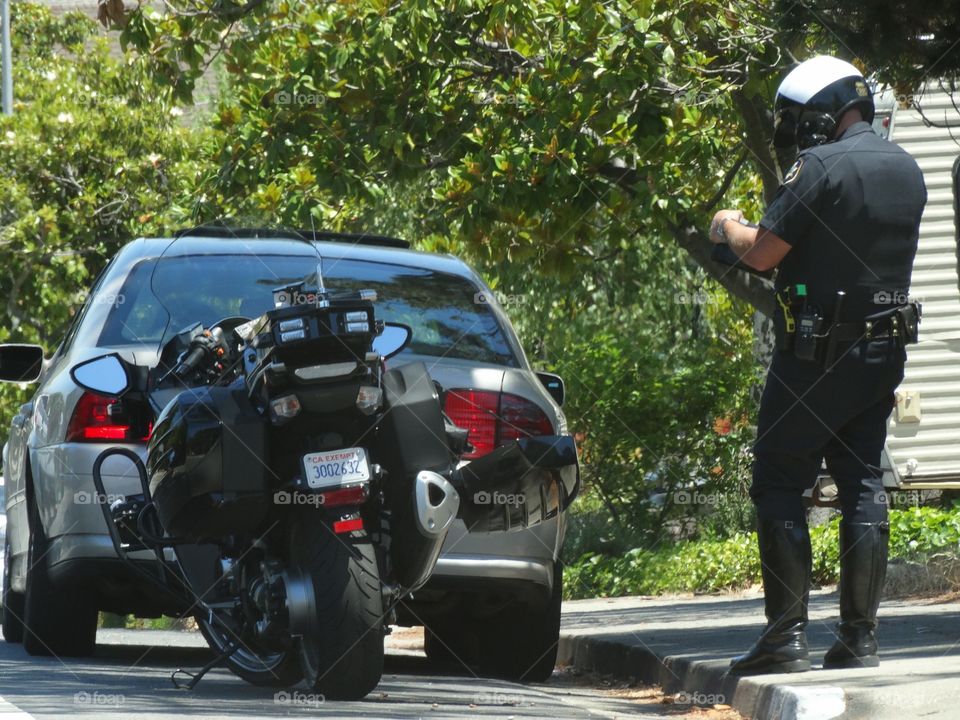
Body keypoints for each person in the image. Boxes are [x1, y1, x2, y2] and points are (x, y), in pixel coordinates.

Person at [707, 55, 927, 675]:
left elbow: (764, 254)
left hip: (815, 358)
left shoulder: (820, 165)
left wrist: (728, 226)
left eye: (800, 118)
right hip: (881, 355)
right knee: (860, 483)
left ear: (823, 114)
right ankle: (859, 639)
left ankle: (784, 639)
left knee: (778, 481)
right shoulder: (906, 168)